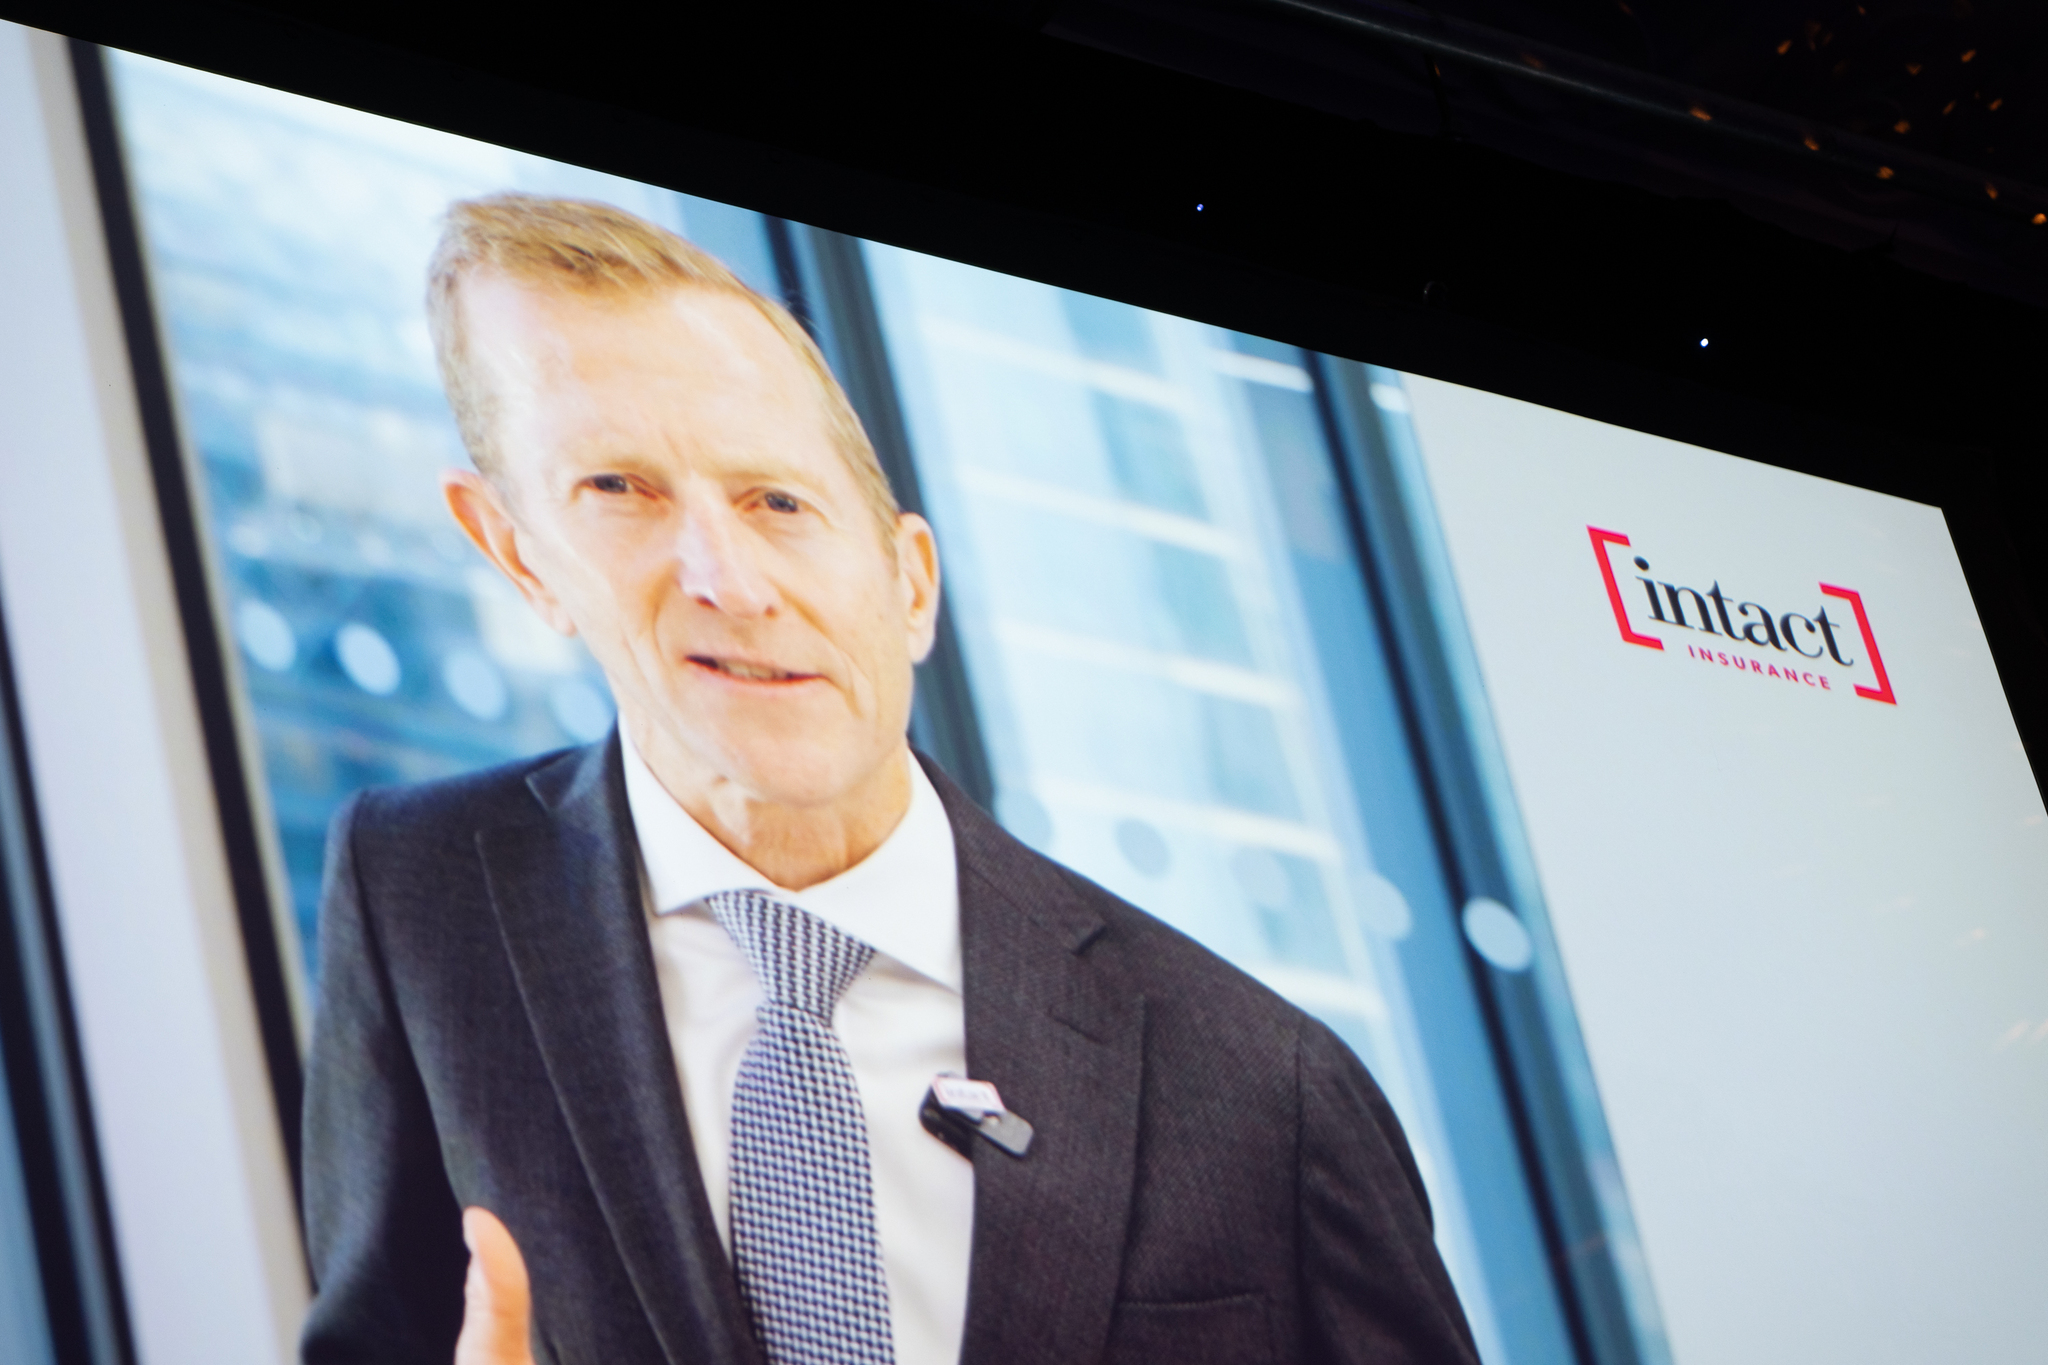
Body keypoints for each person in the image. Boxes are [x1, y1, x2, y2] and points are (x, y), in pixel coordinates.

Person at [298, 192, 1481, 1365]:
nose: (730, 582)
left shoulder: (1260, 1088)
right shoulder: (420, 900)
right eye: (618, 490)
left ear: (911, 584)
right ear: (518, 555)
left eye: (777, 501)